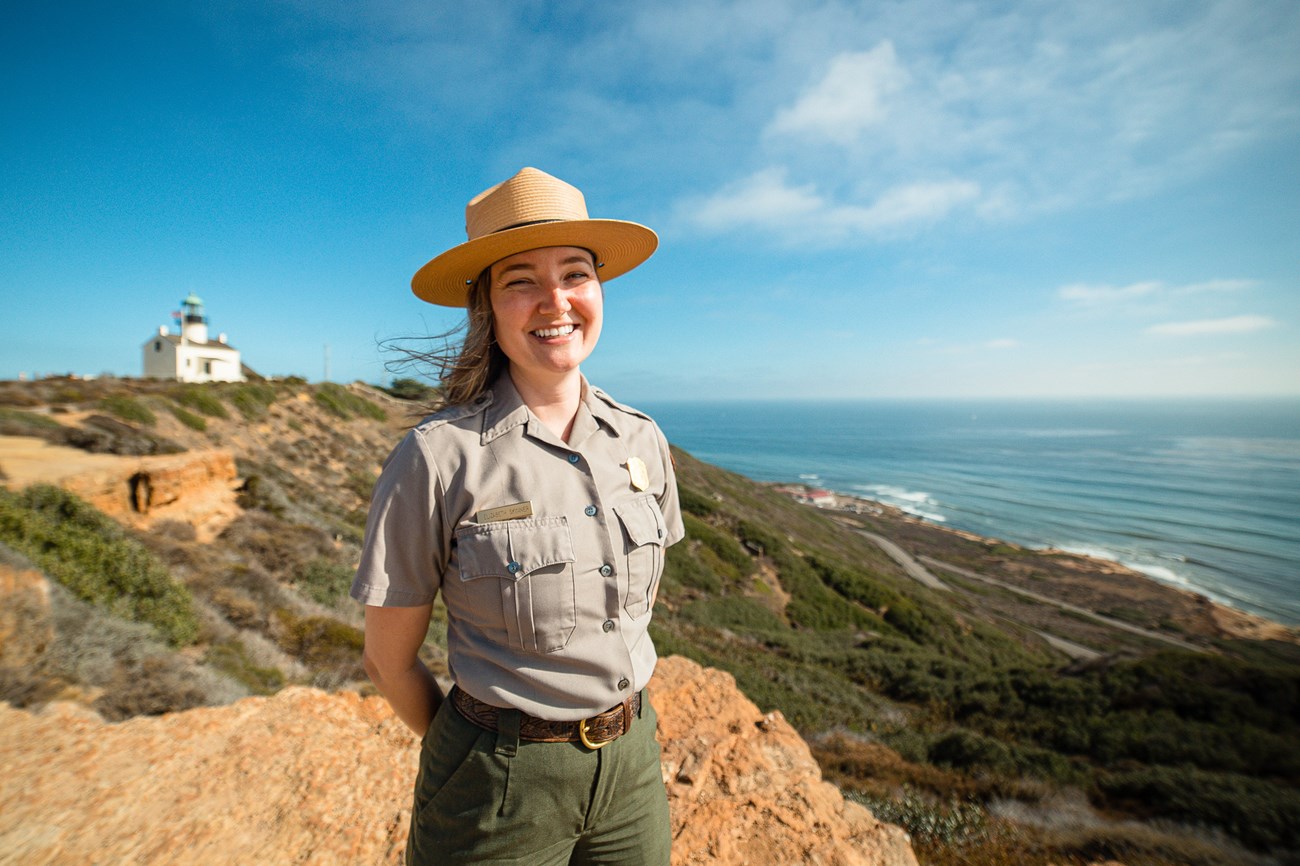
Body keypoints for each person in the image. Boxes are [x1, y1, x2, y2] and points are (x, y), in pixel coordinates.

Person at [351, 166, 685, 866]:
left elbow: (636, 611)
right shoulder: (438, 458)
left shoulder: (642, 440)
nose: (555, 301)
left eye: (575, 274)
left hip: (632, 765)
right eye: (521, 280)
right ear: (487, 306)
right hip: (497, 779)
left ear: (597, 290)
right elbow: (387, 661)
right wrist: (480, 750)